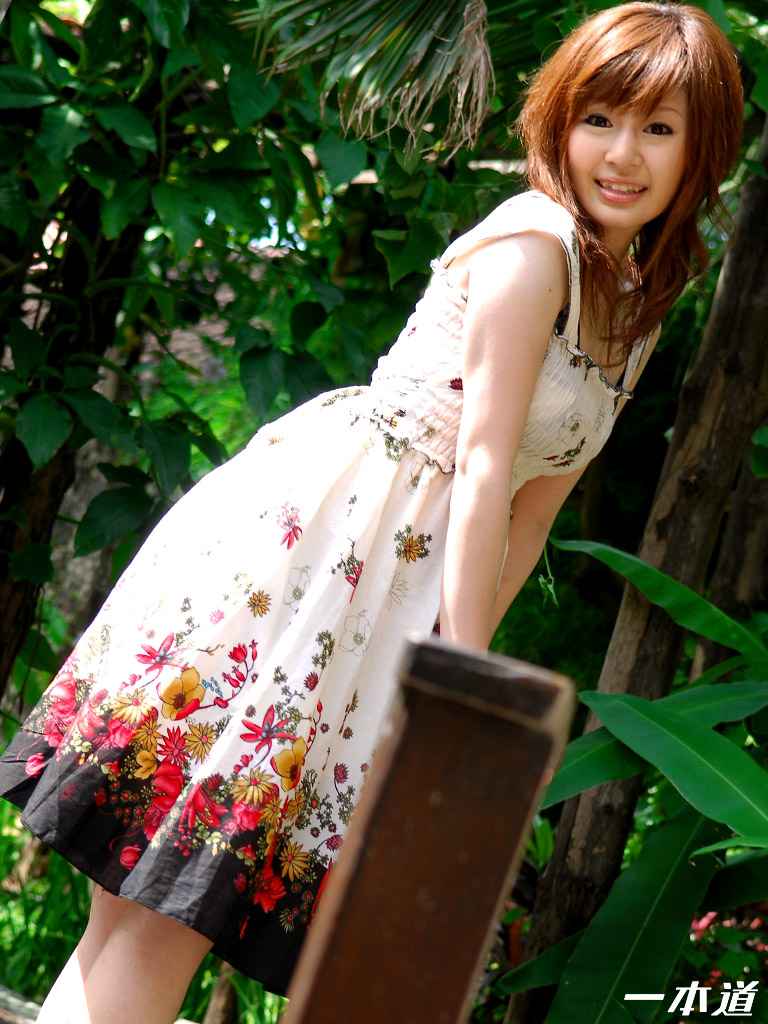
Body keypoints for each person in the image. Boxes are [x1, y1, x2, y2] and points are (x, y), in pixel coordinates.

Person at [0, 3, 743, 1022]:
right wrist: (465, 696)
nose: (622, 155)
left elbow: (530, 514)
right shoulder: (536, 248)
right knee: (155, 916)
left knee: (149, 918)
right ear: (560, 120)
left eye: (658, 128)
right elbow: (481, 465)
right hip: (313, 567)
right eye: (600, 119)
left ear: (703, 148)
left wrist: (447, 675)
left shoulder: (638, 296)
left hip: (381, 610)